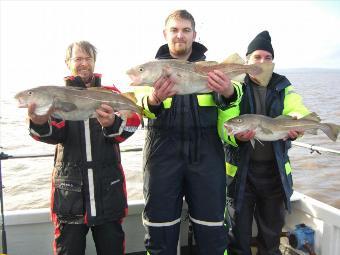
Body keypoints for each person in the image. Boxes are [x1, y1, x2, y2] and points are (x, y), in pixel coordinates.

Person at [27, 41, 141, 255]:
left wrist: (113, 124)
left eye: (88, 58)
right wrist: (39, 122)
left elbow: (134, 123)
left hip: (108, 192)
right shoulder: (56, 96)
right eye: (78, 59)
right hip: (69, 195)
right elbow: (53, 135)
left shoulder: (111, 92)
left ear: (94, 62)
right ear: (68, 63)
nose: (84, 63)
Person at [139, 10, 236, 255]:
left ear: (194, 34)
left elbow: (230, 113)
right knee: (159, 231)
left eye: (185, 30)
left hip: (207, 159)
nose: (179, 35)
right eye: (174, 30)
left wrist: (229, 93)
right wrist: (153, 99)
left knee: (213, 232)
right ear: (165, 34)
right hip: (161, 159)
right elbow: (136, 106)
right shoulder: (149, 71)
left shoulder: (213, 70)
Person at [221, 31, 310, 255]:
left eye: (267, 57)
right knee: (237, 237)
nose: (262, 62)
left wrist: (298, 121)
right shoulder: (234, 85)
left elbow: (297, 108)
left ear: (273, 61)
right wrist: (235, 136)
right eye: (257, 57)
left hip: (274, 175)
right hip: (240, 175)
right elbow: (224, 121)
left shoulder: (283, 86)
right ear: (247, 60)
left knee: (271, 239)